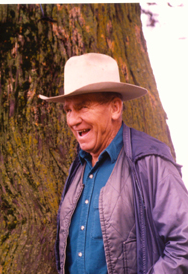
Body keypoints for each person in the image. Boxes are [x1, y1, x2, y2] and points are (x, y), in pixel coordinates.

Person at [39, 53, 188, 273]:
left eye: (82, 107)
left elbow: (183, 245)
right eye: (68, 110)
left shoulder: (150, 161)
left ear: (115, 108)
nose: (72, 120)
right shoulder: (78, 166)